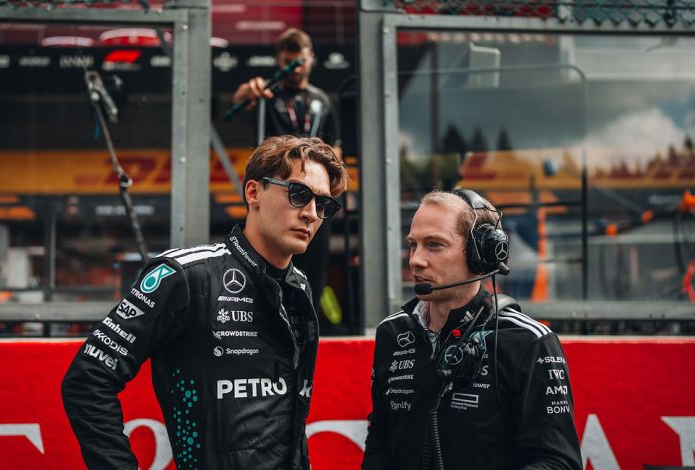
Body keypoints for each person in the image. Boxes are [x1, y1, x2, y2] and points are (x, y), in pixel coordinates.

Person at [62, 135, 348, 470]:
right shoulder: (185, 275)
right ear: (253, 192)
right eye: (299, 194)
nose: (311, 214)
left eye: (323, 204)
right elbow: (87, 380)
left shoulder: (299, 286)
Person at [362, 189, 581, 470]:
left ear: (481, 254)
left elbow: (558, 462)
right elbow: (381, 438)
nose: (415, 259)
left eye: (434, 245)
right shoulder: (392, 332)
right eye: (413, 245)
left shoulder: (528, 342)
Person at [233, 27, 341, 326]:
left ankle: (306, 326)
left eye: (300, 61)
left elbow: (336, 151)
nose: (294, 68)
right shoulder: (267, 94)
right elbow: (241, 98)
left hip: (314, 195)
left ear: (311, 58)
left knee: (314, 264)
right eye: (287, 62)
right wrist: (249, 90)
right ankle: (262, 322)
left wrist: (329, 191)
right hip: (278, 189)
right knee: (266, 255)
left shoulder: (322, 100)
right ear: (279, 61)